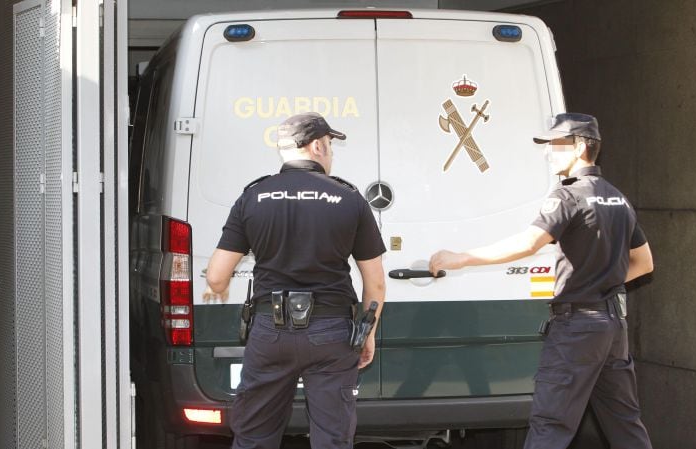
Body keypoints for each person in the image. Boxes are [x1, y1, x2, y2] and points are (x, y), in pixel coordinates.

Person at [429, 113, 654, 449]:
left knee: (551, 425)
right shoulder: (618, 198)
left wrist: (461, 258)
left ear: (579, 147)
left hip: (577, 327)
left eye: (556, 144)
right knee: (625, 425)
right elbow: (644, 263)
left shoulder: (568, 196)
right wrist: (600, 279)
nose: (549, 152)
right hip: (612, 327)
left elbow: (529, 243)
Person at [205, 112, 386, 449]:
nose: (331, 153)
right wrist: (368, 333)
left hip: (269, 330)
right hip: (332, 333)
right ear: (317, 146)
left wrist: (222, 284)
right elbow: (374, 283)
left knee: (254, 437)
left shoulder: (253, 197)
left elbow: (216, 278)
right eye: (331, 145)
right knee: (333, 439)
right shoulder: (349, 199)